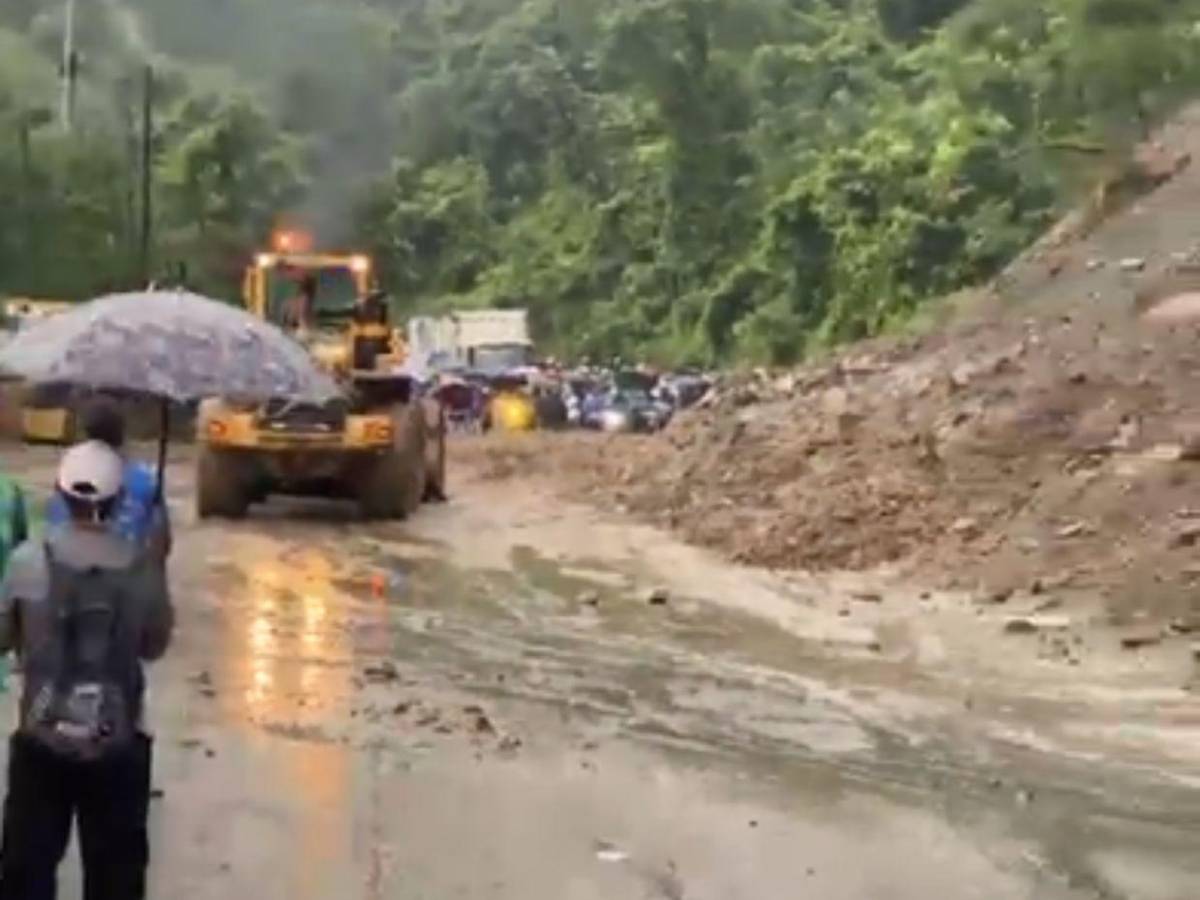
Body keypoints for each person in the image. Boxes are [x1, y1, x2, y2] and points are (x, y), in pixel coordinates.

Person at [0, 440, 174, 900]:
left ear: (60, 494)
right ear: (118, 502)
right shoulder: (141, 565)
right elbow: (154, 645)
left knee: (26, 874)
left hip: (39, 740)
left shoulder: (26, 561)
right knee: (116, 876)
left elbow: (2, 638)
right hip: (118, 746)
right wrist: (156, 565)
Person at [44, 399, 170, 563]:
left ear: (85, 433)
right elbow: (162, 545)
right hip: (131, 575)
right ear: (121, 434)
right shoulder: (147, 479)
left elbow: (50, 529)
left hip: (66, 571)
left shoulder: (69, 475)